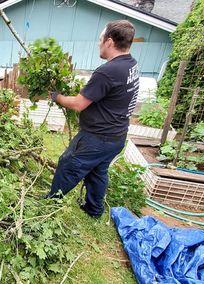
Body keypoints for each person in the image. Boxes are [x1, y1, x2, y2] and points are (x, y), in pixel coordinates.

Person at [47, 20, 140, 218]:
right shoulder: (131, 64)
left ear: (109, 41)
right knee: (97, 172)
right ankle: (94, 209)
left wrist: (57, 97)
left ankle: (49, 205)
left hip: (98, 137)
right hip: (117, 136)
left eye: (100, 40)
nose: (98, 44)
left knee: (68, 164)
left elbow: (79, 104)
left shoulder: (108, 71)